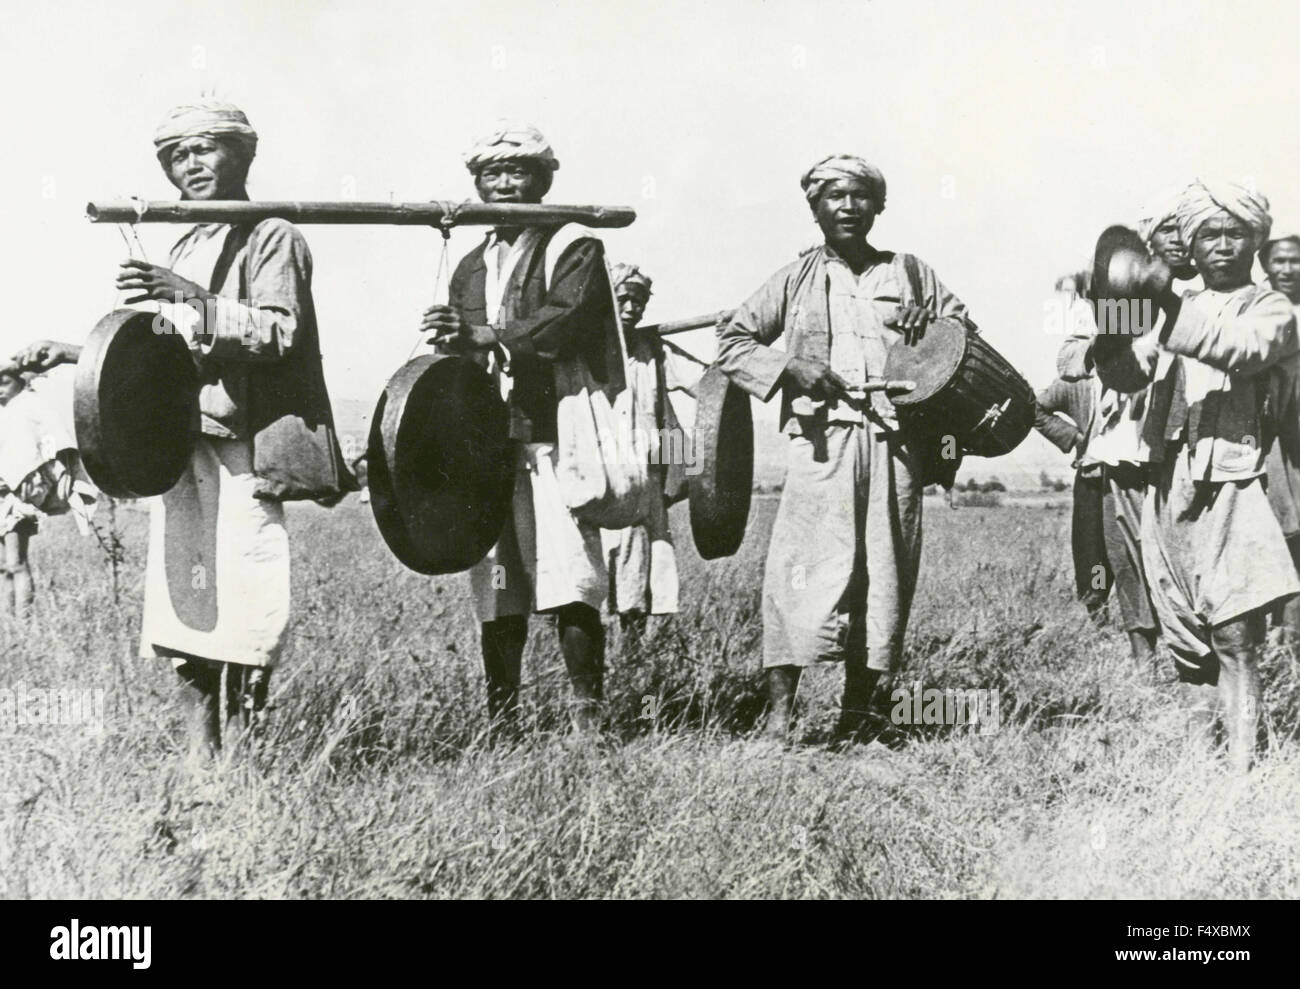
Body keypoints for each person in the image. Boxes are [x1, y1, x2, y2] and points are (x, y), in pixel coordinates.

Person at [14, 99, 354, 763]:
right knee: (186, 605)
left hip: (243, 446)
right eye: (178, 155)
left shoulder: (272, 236)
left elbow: (279, 331)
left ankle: (244, 757)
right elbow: (162, 346)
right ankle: (201, 757)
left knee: (246, 602)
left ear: (243, 154)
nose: (191, 164)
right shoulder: (184, 238)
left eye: (206, 149)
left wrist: (187, 293)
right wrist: (71, 351)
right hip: (178, 443)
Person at [715, 154, 975, 744]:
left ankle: (861, 718)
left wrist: (928, 324)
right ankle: (780, 719)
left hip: (896, 442)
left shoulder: (911, 272)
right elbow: (732, 341)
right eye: (834, 196)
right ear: (815, 208)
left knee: (884, 575)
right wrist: (789, 367)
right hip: (819, 441)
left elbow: (962, 336)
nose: (848, 206)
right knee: (798, 573)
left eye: (860, 195)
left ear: (878, 206)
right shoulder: (794, 278)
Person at [418, 122, 623, 733]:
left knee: (570, 578)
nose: (504, 183)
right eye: (492, 174)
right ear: (476, 184)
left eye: (519, 172)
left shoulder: (573, 245)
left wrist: (485, 335)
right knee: (498, 582)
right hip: (489, 443)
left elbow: (563, 324)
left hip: (554, 436)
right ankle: (501, 721)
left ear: (544, 180)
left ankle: (589, 718)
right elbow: (460, 354)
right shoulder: (472, 264)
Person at [1094, 180, 1299, 773]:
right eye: (1209, 233)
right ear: (1192, 241)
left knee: (1236, 638)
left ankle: (1242, 774)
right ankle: (1199, 770)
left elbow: (1236, 350)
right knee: (1188, 641)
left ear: (1255, 241)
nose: (1224, 245)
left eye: (1237, 233)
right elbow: (1130, 375)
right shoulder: (1174, 309)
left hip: (1236, 482)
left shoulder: (1271, 310)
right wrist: (1110, 326)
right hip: (1168, 482)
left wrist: (1164, 300)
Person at [1058, 188, 1199, 665]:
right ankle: (1143, 660)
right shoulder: (1123, 303)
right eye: (1169, 230)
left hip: (1187, 450)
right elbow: (1071, 359)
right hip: (1125, 449)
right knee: (1127, 557)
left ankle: (1194, 659)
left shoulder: (1206, 297)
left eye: (1189, 231)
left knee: (1182, 557)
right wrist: (1104, 344)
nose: (1180, 241)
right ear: (1147, 241)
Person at [601, 262, 700, 640]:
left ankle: (635, 656)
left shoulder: (653, 350)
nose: (631, 309)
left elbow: (705, 381)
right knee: (601, 565)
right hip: (600, 477)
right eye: (623, 299)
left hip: (648, 474)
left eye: (639, 302)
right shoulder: (581, 348)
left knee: (644, 563)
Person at [1034, 279, 1111, 623]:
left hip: (1141, 477)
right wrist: (1073, 437)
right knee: (1094, 553)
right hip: (1095, 477)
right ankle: (1099, 615)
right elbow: (1033, 407)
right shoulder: (1077, 379)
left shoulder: (1147, 367)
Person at [1259, 234, 1300, 651]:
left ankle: (1290, 633)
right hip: (1269, 435)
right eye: (1280, 262)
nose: (1287, 270)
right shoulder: (1257, 312)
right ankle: (1273, 630)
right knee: (1276, 531)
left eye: (1295, 261)